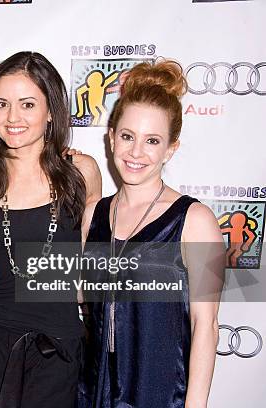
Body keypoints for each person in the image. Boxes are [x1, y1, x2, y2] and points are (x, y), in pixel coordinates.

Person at [78, 60, 224, 407]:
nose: (136, 152)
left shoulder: (195, 220)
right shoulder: (94, 215)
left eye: (152, 141)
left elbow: (207, 325)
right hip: (93, 389)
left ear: (170, 148)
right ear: (111, 136)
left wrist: (195, 405)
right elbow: (83, 296)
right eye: (127, 136)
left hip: (158, 391)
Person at [0, 51, 102, 408]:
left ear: (51, 110)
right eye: (1, 104)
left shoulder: (81, 172)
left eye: (27, 104)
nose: (12, 118)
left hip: (57, 342)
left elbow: (93, 265)